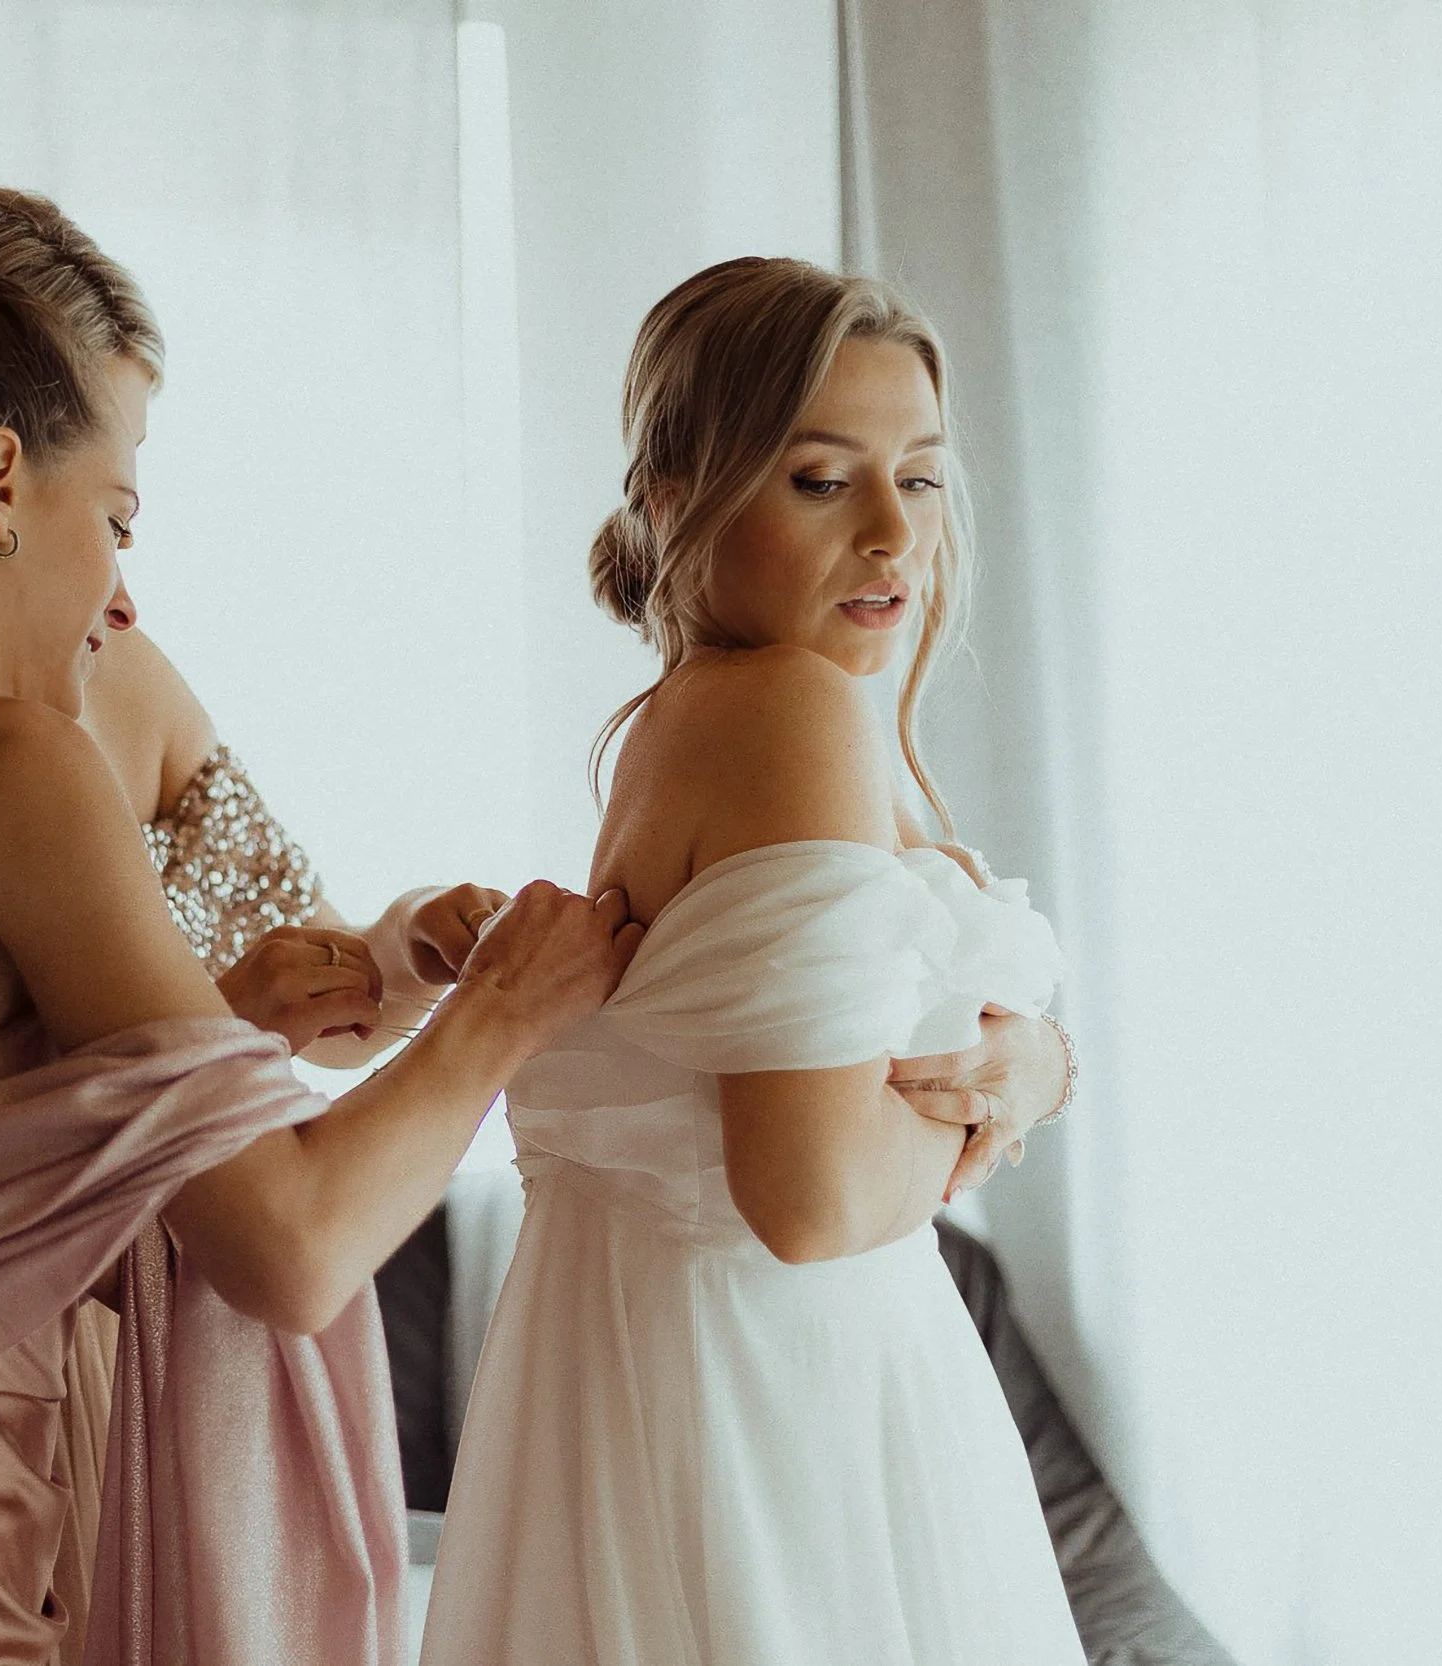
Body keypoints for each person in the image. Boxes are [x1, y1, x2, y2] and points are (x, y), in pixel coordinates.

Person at [0, 222, 637, 1666]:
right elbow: (289, 1244)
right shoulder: (8, 763)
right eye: (123, 517)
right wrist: (501, 1018)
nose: (126, 591)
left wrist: (313, 993)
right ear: (1, 478)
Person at [420, 257, 1087, 1665]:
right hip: (781, 1421)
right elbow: (813, 1190)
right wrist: (1005, 1095)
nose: (892, 534)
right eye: (821, 478)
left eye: (920, 476)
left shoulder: (712, 711)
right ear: (674, 498)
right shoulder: (791, 712)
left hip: (711, 1389)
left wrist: (1027, 1057)